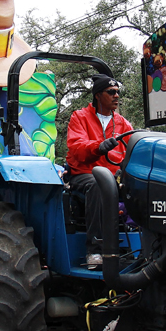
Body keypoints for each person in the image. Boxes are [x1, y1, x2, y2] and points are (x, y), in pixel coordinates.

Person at [65, 75, 133, 267]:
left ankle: (141, 244)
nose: (116, 96)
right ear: (98, 95)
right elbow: (77, 149)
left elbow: (133, 150)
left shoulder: (123, 123)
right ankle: (94, 251)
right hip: (84, 174)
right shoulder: (79, 117)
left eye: (118, 92)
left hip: (113, 176)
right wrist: (99, 147)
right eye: (111, 92)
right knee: (98, 184)